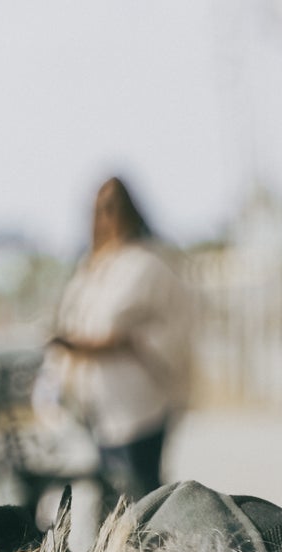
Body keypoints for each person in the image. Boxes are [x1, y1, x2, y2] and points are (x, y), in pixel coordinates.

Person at [49, 177, 191, 511]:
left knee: (144, 499)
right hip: (98, 407)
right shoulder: (93, 267)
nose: (105, 217)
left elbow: (175, 327)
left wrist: (119, 341)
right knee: (108, 501)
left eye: (112, 207)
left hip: (139, 406)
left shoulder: (149, 264)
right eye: (99, 209)